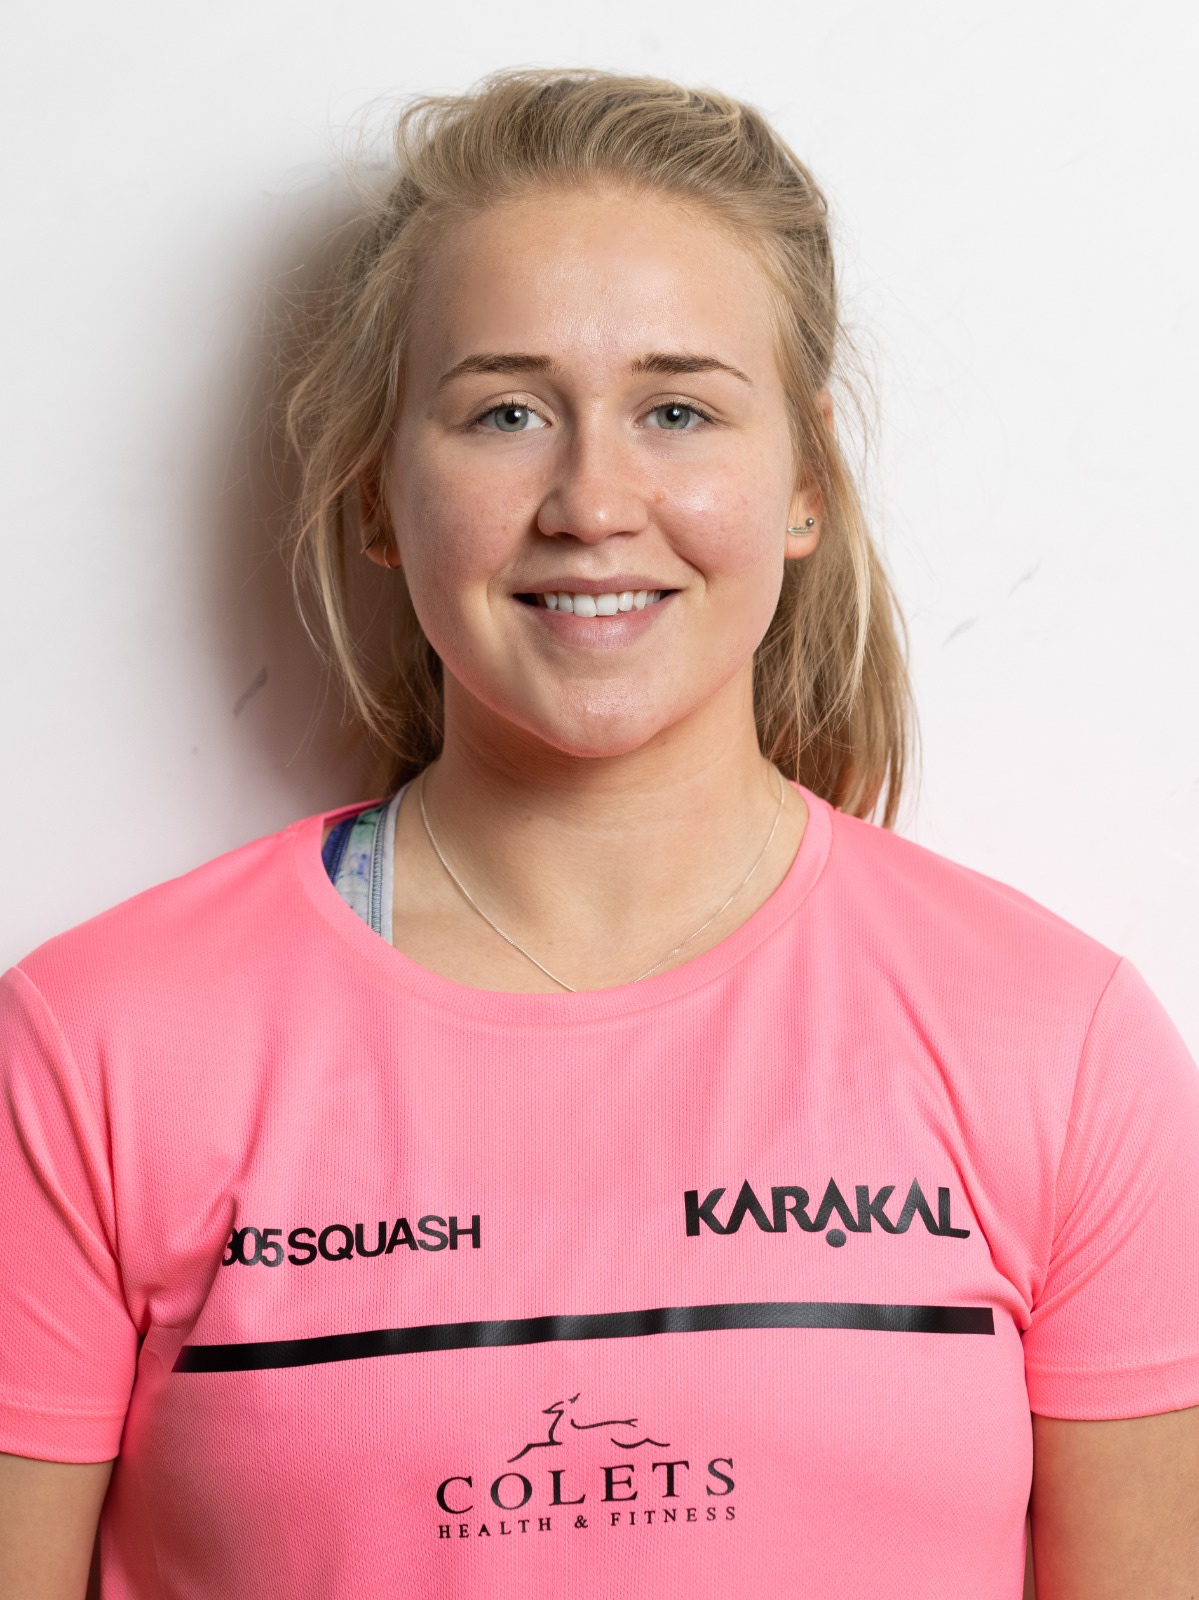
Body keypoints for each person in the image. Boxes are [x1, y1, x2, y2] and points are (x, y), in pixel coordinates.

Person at [1, 68, 1197, 1600]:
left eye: (677, 409)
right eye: (505, 412)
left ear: (807, 483)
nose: (591, 500)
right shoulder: (98, 1053)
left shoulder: (1059, 1048)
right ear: (378, 496)